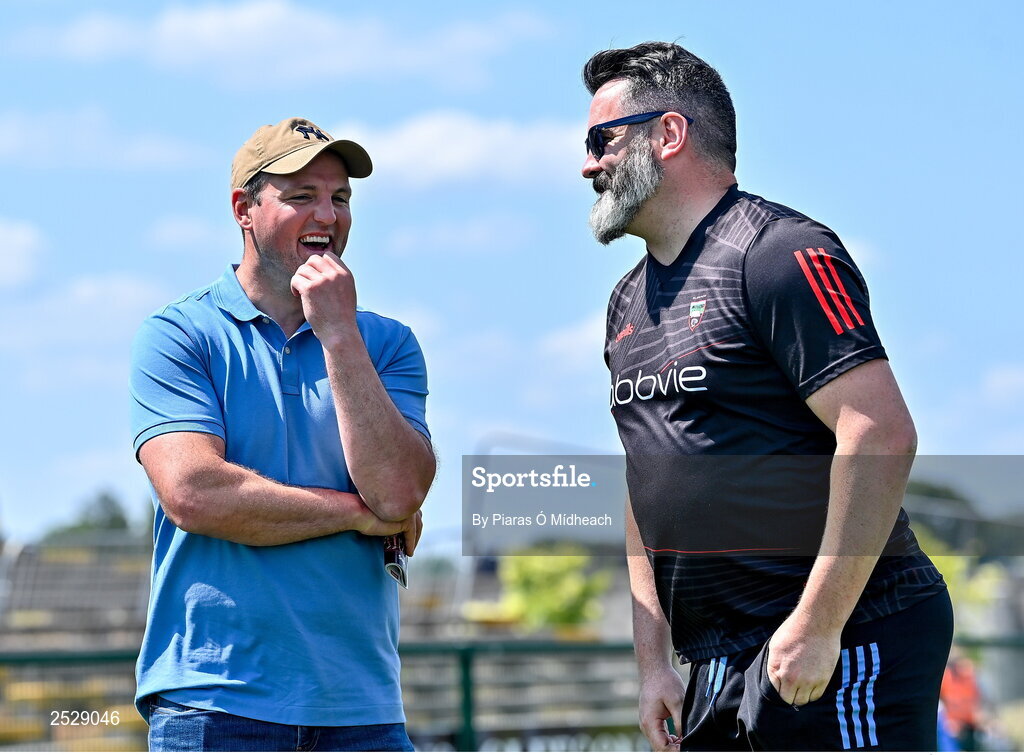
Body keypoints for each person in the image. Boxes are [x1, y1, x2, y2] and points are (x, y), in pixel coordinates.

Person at [581, 43, 953, 751]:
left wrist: (819, 625)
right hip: (719, 657)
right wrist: (653, 660)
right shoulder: (625, 301)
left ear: (668, 135)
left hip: (843, 639)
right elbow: (646, 486)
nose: (588, 164)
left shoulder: (777, 253)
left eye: (604, 139)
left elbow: (878, 433)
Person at [130, 117, 436, 752]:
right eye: (302, 196)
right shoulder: (179, 334)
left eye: (341, 197)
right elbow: (195, 494)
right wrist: (355, 514)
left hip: (364, 709)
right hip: (214, 704)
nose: (328, 214)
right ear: (245, 209)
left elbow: (401, 493)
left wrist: (339, 333)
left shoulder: (386, 343)